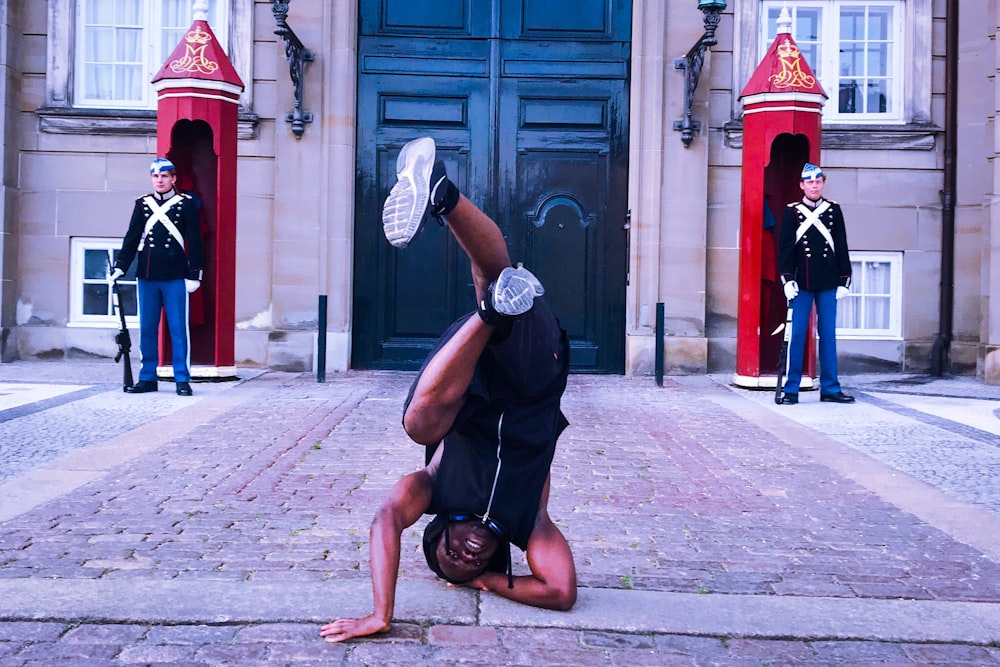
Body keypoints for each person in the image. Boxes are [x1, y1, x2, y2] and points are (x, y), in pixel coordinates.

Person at [320, 136, 577, 644]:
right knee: (502, 283)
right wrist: (487, 581)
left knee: (419, 428)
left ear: (437, 533)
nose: (464, 557)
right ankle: (441, 193)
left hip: (468, 375)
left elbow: (388, 519)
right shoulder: (528, 522)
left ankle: (490, 310)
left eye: (448, 555)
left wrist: (381, 612)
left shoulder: (434, 492)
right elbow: (562, 591)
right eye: (466, 565)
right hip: (533, 385)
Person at [110, 158, 203, 396]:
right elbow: (132, 237)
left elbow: (195, 240)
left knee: (178, 330)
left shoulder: (186, 204)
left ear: (173, 179)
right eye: (155, 176)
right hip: (148, 274)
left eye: (164, 176)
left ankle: (182, 378)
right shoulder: (143, 204)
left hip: (175, 275)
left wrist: (195, 274)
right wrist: (121, 266)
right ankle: (147, 377)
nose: (159, 180)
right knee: (147, 328)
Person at [777, 162, 855, 405]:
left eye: (818, 181)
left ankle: (830, 388)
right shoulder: (792, 212)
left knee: (828, 336)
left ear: (823, 183)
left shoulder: (834, 210)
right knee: (797, 334)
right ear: (802, 185)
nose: (814, 185)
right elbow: (785, 250)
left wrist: (845, 280)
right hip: (802, 282)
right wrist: (787, 280)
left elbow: (841, 246)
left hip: (829, 280)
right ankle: (791, 389)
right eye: (809, 182)